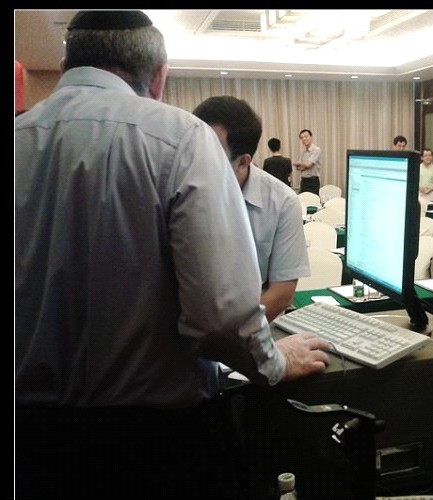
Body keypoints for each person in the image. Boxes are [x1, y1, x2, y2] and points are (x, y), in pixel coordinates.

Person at [15, 11, 329, 499]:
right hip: (157, 441)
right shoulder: (180, 139)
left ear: (65, 65)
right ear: (159, 76)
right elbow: (219, 317)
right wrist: (273, 362)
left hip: (30, 440)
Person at [193, 96, 309, 322]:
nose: (196, 163)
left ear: (244, 162)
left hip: (253, 327)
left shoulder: (282, 202)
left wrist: (228, 334)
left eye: (210, 157)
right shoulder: (176, 190)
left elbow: (282, 293)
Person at [293, 128, 322, 195]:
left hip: (313, 181)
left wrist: (302, 164)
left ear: (311, 137)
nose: (304, 139)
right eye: (302, 138)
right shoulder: (303, 152)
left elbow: (308, 164)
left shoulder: (316, 150)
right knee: (303, 199)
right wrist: (305, 165)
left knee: (313, 200)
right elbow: (298, 168)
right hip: (303, 180)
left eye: (306, 136)